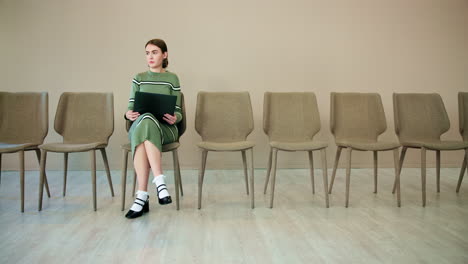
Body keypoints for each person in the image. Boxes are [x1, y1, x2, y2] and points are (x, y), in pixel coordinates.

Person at [124, 39, 182, 219]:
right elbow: (130, 106)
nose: (150, 56)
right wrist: (128, 115)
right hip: (141, 125)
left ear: (164, 55)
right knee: (146, 119)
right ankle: (160, 182)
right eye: (147, 53)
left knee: (146, 126)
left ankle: (141, 197)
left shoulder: (172, 78)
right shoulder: (139, 78)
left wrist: (175, 117)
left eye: (155, 52)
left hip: (165, 129)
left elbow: (178, 111)